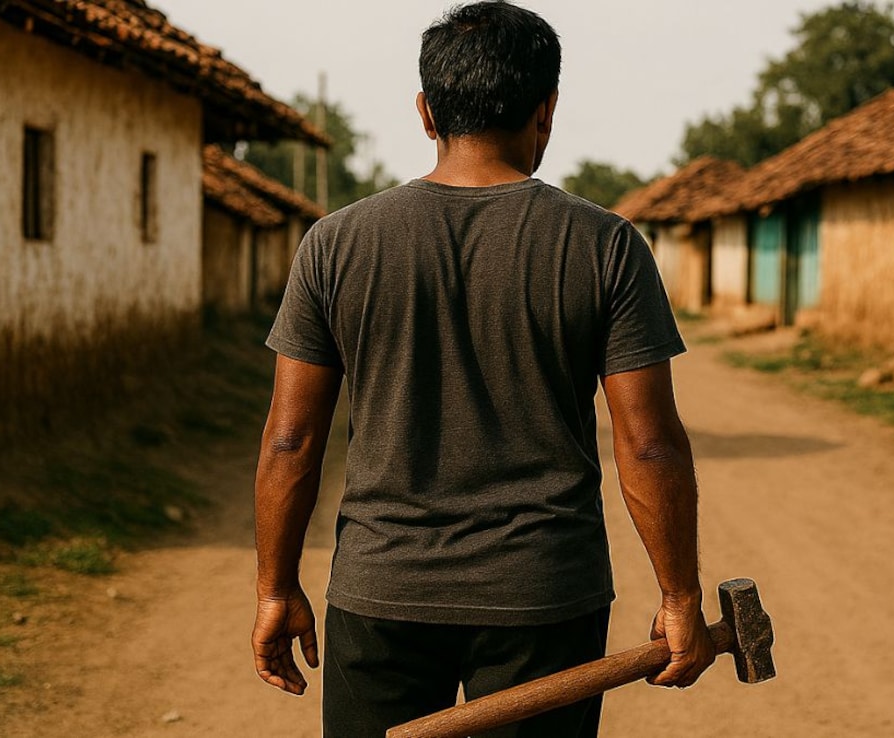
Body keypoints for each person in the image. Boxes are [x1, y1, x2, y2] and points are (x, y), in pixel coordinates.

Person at [251, 2, 715, 736]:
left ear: (426, 112)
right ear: (547, 110)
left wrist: (276, 588)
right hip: (543, 599)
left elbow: (290, 441)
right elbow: (650, 442)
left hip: (383, 593)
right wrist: (680, 596)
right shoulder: (606, 246)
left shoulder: (335, 245)